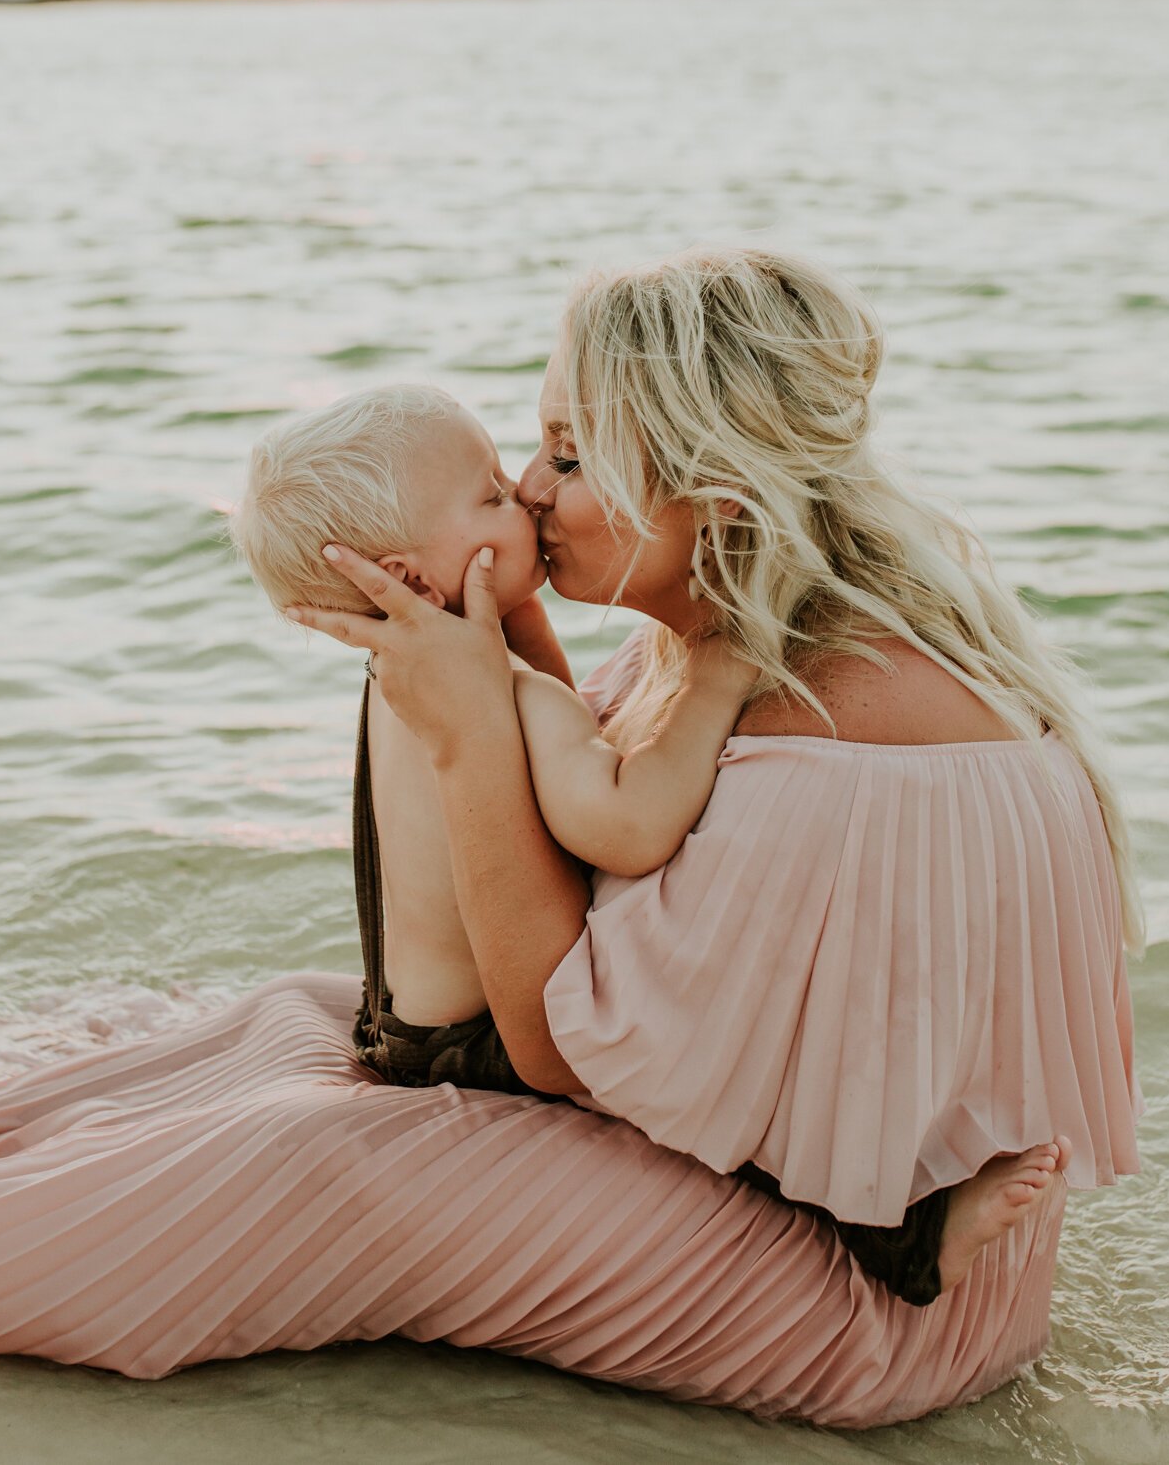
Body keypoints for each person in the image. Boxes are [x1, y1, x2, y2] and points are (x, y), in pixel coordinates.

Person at [0, 246, 1139, 1428]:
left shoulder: (833, 728)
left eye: (569, 453)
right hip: (813, 1203)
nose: (537, 487)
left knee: (330, 1153)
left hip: (874, 1294)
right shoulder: (758, 637)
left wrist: (467, 723)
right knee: (298, 1024)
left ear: (701, 483)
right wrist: (478, 697)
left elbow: (569, 1053)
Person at [226, 380, 1061, 1302]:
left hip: (405, 1025)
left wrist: (524, 612)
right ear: (417, 575)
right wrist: (713, 679)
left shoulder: (404, 680)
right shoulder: (509, 694)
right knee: (712, 1084)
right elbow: (622, 828)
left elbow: (520, 796)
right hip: (483, 1049)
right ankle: (905, 1237)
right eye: (494, 494)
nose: (529, 497)